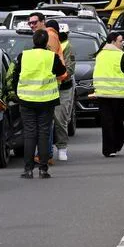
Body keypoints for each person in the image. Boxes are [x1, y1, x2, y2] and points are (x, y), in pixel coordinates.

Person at [13, 29, 66, 178]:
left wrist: (17, 94)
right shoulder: (52, 57)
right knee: (44, 133)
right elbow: (62, 71)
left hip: (26, 100)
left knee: (30, 134)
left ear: (33, 41)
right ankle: (43, 169)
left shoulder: (24, 56)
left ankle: (28, 169)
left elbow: (15, 77)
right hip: (46, 101)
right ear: (46, 42)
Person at [94, 32, 124, 157]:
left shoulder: (100, 54)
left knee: (106, 122)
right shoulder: (120, 55)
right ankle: (116, 144)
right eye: (120, 41)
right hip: (117, 94)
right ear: (113, 42)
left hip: (102, 93)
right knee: (117, 121)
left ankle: (108, 149)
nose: (122, 44)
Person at [47, 20, 75, 162]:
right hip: (48, 88)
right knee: (46, 121)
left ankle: (62, 147)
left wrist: (59, 77)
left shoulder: (66, 46)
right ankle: (47, 150)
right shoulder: (47, 44)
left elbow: (69, 69)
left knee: (60, 119)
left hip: (63, 88)